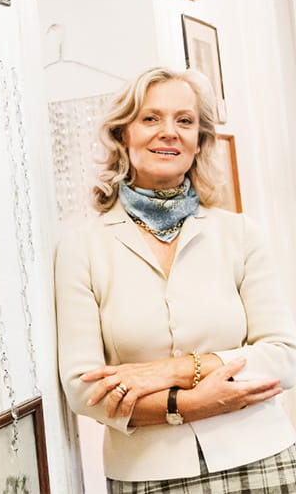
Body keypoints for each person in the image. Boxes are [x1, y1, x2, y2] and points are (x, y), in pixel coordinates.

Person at [55, 66, 296, 492]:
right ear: (122, 134)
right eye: (151, 118)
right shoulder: (81, 248)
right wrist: (185, 404)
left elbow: (283, 356)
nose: (169, 132)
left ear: (199, 141)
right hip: (148, 475)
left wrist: (172, 370)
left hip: (264, 461)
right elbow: (83, 389)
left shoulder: (240, 234)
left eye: (184, 121)